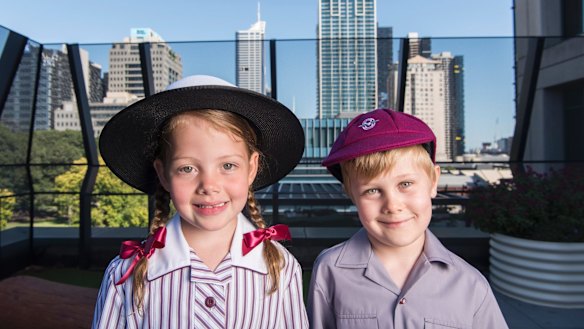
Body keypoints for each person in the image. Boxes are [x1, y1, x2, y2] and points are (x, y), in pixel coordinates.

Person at [93, 75, 309, 328]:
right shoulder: (125, 273)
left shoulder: (281, 267)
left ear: (252, 168)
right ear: (163, 173)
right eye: (187, 168)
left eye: (228, 165)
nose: (209, 185)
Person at [307, 109, 508, 328]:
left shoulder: (471, 285)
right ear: (352, 195)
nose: (393, 205)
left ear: (433, 182)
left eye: (405, 184)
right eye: (372, 191)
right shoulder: (329, 270)